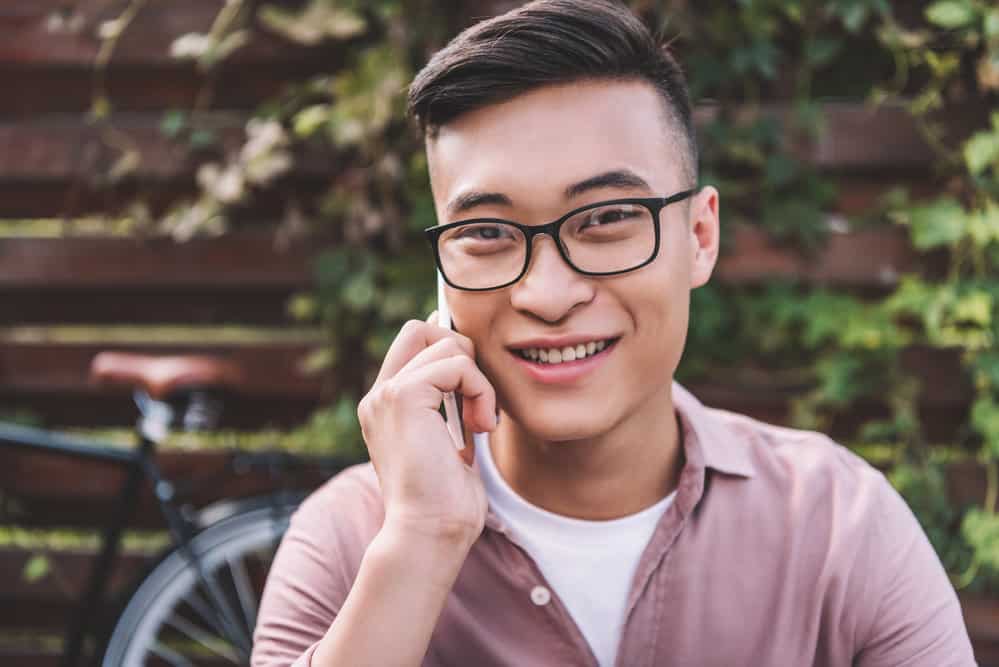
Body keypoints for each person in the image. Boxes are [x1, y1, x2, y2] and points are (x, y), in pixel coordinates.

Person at [251, 1, 976, 665]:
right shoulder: (353, 539)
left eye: (604, 219)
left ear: (698, 235)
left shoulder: (837, 528)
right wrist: (418, 544)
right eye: (487, 232)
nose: (546, 293)